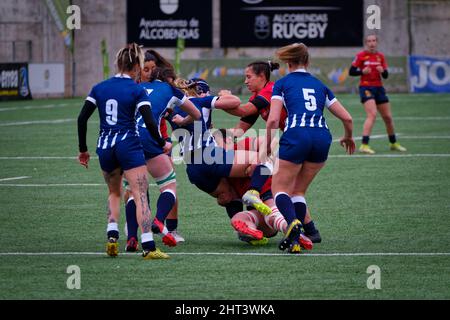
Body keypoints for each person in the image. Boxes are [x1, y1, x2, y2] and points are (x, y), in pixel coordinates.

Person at [77, 43, 171, 260]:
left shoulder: (99, 87)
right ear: (136, 66)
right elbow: (148, 121)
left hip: (105, 146)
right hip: (128, 144)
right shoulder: (137, 89)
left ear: (117, 63)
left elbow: (82, 118)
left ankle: (112, 235)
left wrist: (83, 150)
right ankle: (148, 246)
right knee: (140, 195)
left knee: (114, 192)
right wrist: (162, 143)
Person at [266, 43, 355, 254]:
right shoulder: (320, 85)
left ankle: (293, 226)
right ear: (307, 62)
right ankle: (302, 236)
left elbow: (272, 120)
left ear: (288, 63)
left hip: (297, 134)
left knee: (278, 189)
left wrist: (268, 146)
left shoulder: (282, 84)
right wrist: (348, 137)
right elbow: (348, 118)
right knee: (298, 191)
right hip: (322, 138)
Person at [167, 78, 273, 216]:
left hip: (193, 168)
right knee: (264, 160)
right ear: (201, 92)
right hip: (209, 156)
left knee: (228, 196)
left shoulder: (172, 108)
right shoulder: (199, 101)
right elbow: (235, 102)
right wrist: (224, 95)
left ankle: (243, 227)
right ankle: (254, 192)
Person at [123, 67, 201, 252]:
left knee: (134, 191)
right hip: (149, 139)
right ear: (170, 80)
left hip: (127, 140)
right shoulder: (170, 90)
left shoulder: (138, 87)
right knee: (169, 185)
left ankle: (132, 238)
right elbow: (196, 114)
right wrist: (182, 121)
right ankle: (158, 220)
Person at [212, 129, 313, 250]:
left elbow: (272, 142)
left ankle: (291, 229)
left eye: (216, 144)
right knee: (238, 219)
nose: (214, 149)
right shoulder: (220, 165)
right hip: (261, 217)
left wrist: (261, 161)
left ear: (228, 140)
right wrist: (223, 199)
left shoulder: (242, 145)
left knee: (269, 209)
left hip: (270, 192)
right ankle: (253, 232)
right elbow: (232, 199)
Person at [349, 34, 407, 154]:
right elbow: (351, 71)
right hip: (366, 87)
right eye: (369, 41)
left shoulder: (380, 56)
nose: (372, 43)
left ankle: (393, 143)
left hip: (379, 88)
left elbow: (385, 75)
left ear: (377, 42)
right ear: (366, 43)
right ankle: (364, 145)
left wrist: (383, 71)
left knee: (388, 118)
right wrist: (362, 71)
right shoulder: (361, 56)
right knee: (372, 114)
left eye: (374, 41)